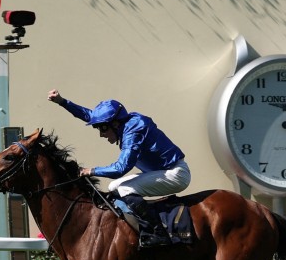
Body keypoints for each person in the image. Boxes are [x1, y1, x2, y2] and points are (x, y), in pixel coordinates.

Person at [46, 90, 191, 247]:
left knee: (125, 190)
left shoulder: (133, 131)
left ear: (115, 124)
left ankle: (158, 233)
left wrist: (92, 170)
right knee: (113, 186)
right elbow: (89, 116)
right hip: (160, 172)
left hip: (175, 174)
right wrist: (62, 102)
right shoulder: (123, 123)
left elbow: (120, 168)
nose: (102, 135)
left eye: (103, 129)